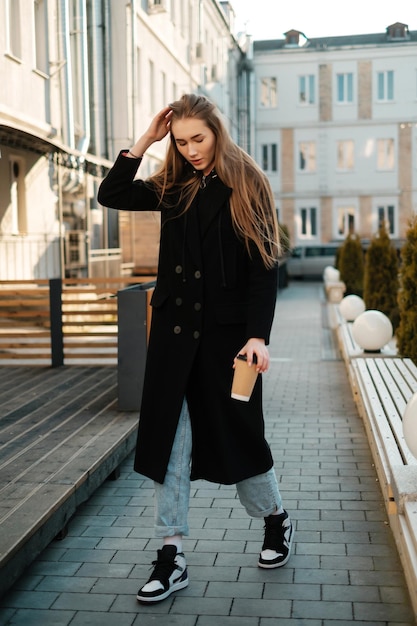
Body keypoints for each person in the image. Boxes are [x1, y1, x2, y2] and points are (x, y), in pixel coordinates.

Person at [98, 93, 294, 604]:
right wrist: (146, 140)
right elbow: (112, 193)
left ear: (216, 131)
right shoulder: (172, 184)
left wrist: (258, 336)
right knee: (171, 443)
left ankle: (275, 519)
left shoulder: (247, 183)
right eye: (181, 142)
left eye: (198, 139)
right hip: (173, 337)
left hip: (229, 343)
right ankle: (171, 554)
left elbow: (263, 269)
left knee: (240, 438)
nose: (190, 150)